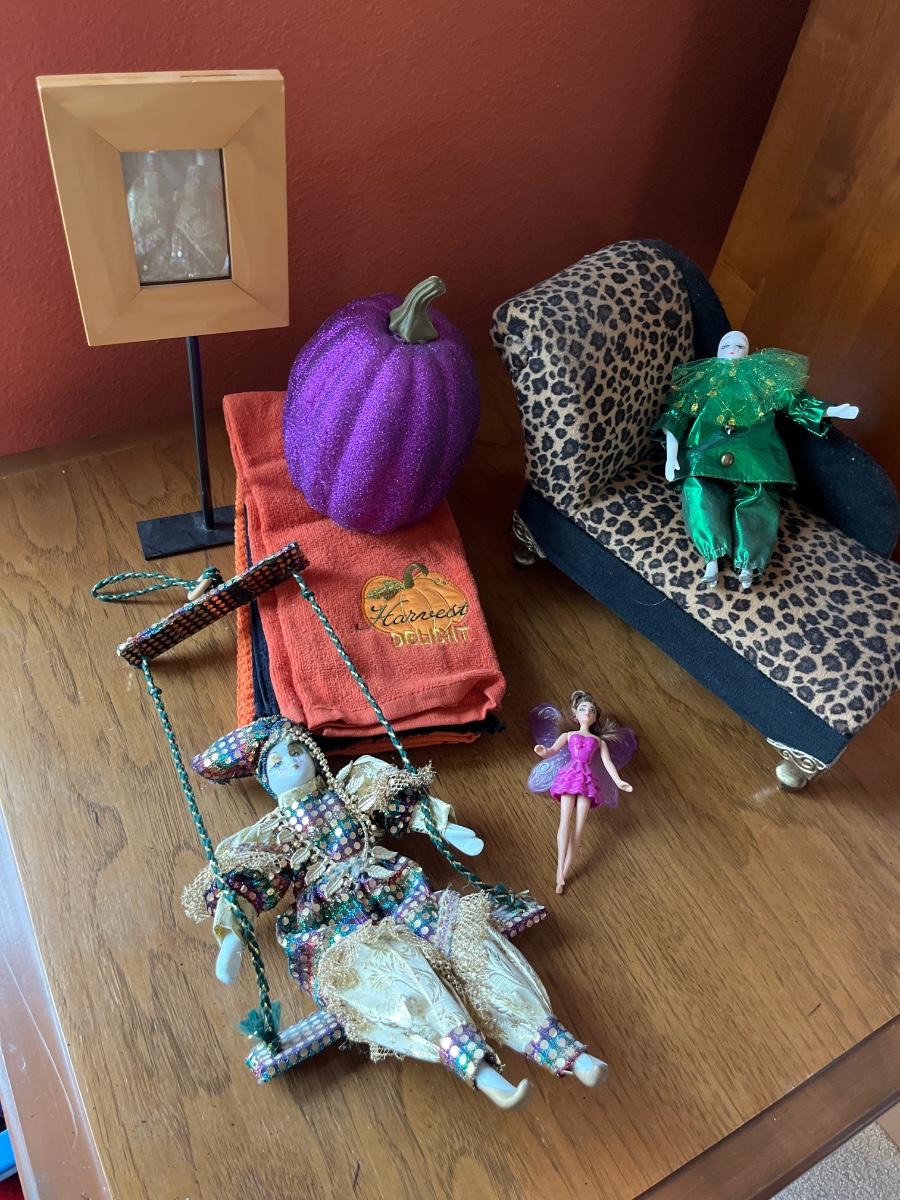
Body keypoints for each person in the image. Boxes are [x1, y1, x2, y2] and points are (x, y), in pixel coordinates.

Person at [184, 715, 607, 1109]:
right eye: (277, 763)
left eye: (297, 751)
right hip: (339, 919)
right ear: (266, 780)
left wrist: (443, 825)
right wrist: (232, 938)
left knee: (469, 941)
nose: (292, 763)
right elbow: (247, 887)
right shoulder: (271, 835)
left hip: (398, 891)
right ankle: (481, 1072)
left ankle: (562, 1049)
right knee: (391, 972)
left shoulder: (352, 786)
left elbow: (400, 807)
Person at [655, 331, 859, 590]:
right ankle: (712, 558)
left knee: (759, 499)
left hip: (756, 454)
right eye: (725, 345)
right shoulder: (701, 380)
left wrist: (828, 410)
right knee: (699, 490)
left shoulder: (763, 379)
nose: (732, 349)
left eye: (739, 345)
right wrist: (671, 453)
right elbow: (677, 414)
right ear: (716, 350)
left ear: (748, 351)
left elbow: (794, 402)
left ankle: (749, 562)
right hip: (705, 452)